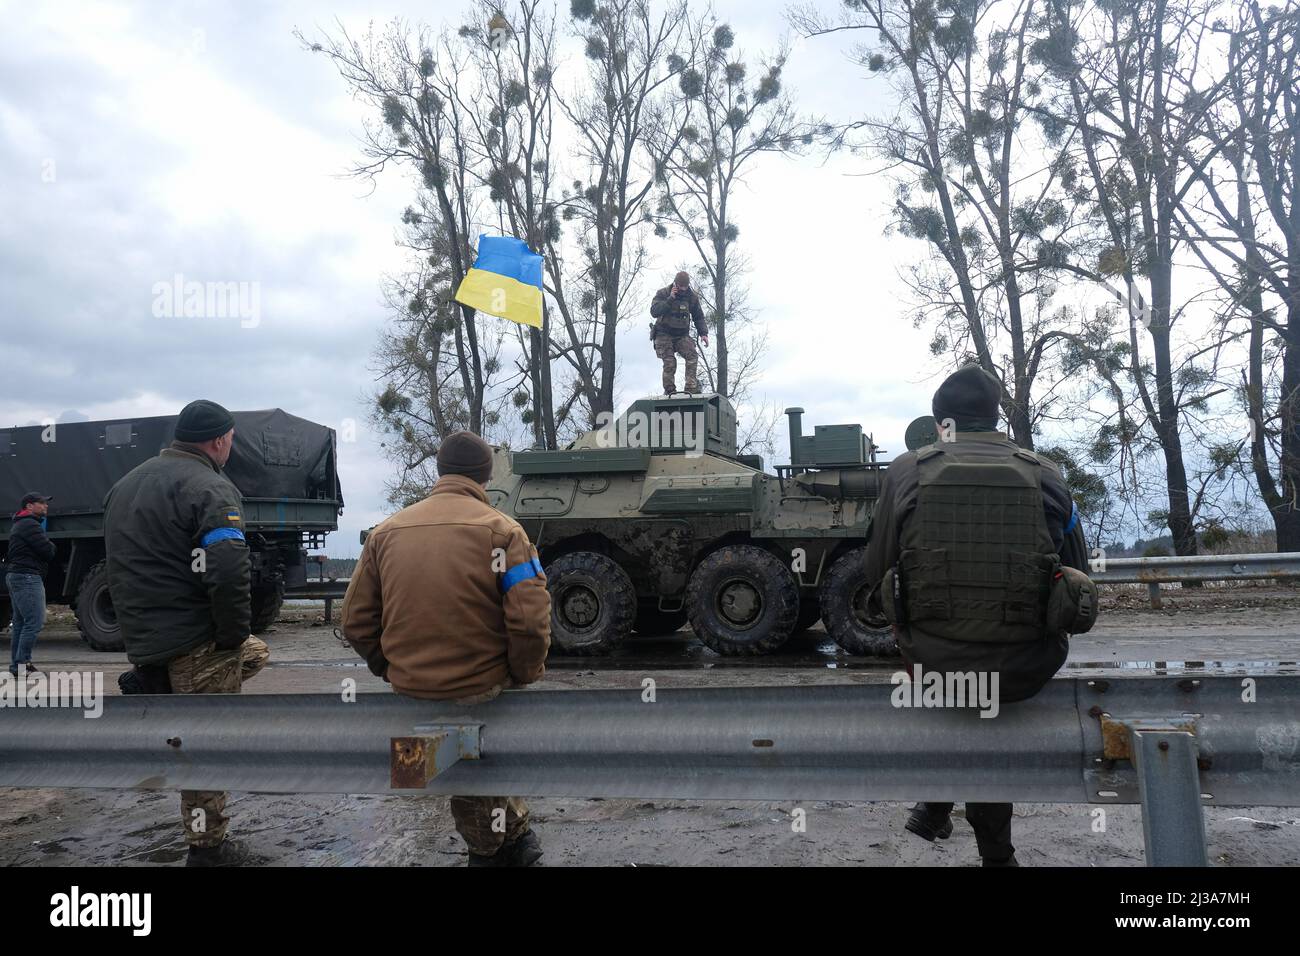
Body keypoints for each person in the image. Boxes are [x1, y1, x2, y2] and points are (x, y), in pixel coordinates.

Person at [864, 364, 1095, 867]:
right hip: (1030, 664)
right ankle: (981, 843)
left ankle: (939, 806)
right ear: (995, 418)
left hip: (930, 660)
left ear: (940, 421)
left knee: (965, 678)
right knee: (988, 672)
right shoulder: (1046, 474)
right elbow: (1079, 573)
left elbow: (873, 568)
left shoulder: (906, 471)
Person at [341, 430, 552, 867]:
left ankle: (517, 839)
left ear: (439, 471)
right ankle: (489, 852)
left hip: (410, 689)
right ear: (486, 475)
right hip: (482, 686)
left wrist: (391, 667)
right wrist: (521, 673)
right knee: (474, 769)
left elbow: (355, 621)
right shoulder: (502, 531)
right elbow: (529, 621)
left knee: (458, 762)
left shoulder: (386, 532)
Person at [104, 399, 269, 867]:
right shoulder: (211, 487)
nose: (231, 448)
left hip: (146, 637)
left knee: (258, 655)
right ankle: (207, 849)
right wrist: (231, 633)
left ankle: (157, 687)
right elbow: (228, 566)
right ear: (219, 440)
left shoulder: (124, 485)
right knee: (206, 749)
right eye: (231, 441)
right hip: (195, 639)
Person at [6, 492, 56, 676]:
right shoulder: (30, 525)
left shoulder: (21, 523)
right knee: (34, 621)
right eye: (41, 503)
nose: (46, 506)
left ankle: (17, 666)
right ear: (29, 506)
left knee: (20, 622)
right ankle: (22, 663)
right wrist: (51, 546)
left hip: (18, 575)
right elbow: (48, 551)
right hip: (27, 576)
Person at [649, 271, 709, 394]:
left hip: (681, 335)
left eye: (685, 287)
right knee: (670, 362)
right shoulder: (663, 293)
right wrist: (670, 299)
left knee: (692, 355)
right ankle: (670, 391)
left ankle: (691, 388)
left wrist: (703, 333)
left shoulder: (691, 297)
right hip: (663, 334)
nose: (682, 290)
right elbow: (654, 311)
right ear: (675, 283)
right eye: (680, 287)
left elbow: (698, 316)